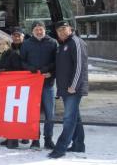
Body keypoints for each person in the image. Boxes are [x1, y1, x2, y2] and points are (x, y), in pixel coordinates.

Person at [48, 21, 88, 159]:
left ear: (70, 29)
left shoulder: (76, 42)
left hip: (73, 89)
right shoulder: (63, 45)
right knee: (75, 117)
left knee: (69, 118)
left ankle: (60, 148)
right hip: (65, 89)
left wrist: (74, 86)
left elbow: (79, 66)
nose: (62, 32)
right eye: (59, 30)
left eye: (64, 29)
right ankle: (78, 145)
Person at [21, 21, 57, 149]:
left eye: (41, 29)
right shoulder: (26, 44)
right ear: (32, 31)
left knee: (50, 113)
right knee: (33, 114)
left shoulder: (52, 43)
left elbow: (56, 61)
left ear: (44, 30)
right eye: (36, 29)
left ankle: (48, 139)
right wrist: (31, 69)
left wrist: (50, 72)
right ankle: (34, 139)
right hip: (32, 84)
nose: (39, 31)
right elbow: (22, 62)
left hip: (48, 83)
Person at [0, 36, 22, 149]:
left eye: (3, 44)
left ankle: (13, 140)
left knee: (12, 114)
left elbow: (18, 69)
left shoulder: (13, 54)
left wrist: (4, 71)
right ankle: (8, 137)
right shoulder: (0, 56)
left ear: (8, 44)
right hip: (5, 88)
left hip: (13, 88)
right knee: (6, 114)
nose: (1, 46)